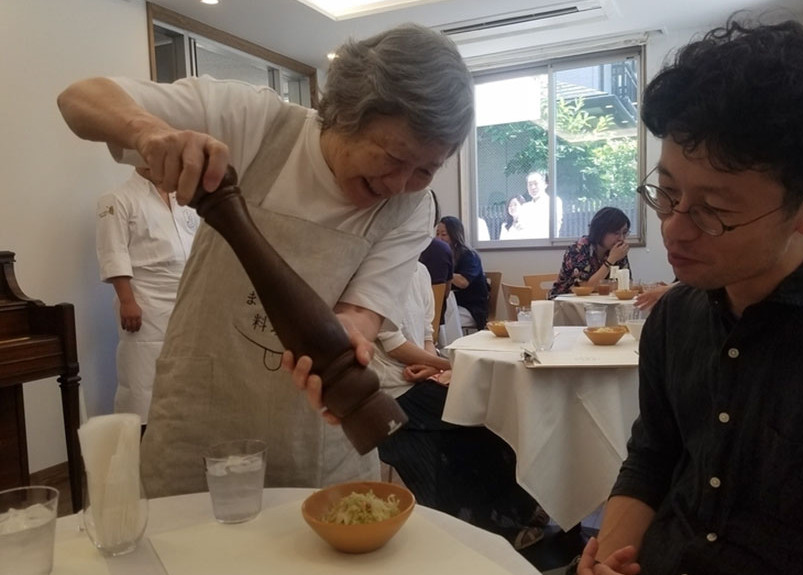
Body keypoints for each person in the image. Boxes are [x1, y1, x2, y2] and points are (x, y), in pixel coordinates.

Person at [57, 23, 474, 498]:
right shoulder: (254, 121)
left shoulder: (411, 209)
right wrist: (150, 132)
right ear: (344, 113)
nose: (401, 183)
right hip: (202, 408)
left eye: (425, 168)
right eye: (394, 157)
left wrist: (344, 344)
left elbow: (360, 316)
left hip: (318, 423)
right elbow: (79, 98)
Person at [575, 18, 803, 575]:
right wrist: (610, 560)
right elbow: (651, 460)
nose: (673, 228)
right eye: (666, 192)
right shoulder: (674, 318)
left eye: (714, 210)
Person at [374, 263, 545, 550]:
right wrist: (447, 365)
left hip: (418, 379)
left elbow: (427, 335)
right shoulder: (383, 272)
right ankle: (497, 522)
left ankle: (515, 509)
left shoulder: (420, 272)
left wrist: (430, 368)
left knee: (490, 413)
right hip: (391, 388)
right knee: (483, 417)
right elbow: (395, 346)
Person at [96, 170, 200, 431]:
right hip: (145, 302)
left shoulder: (184, 199)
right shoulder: (117, 199)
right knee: (143, 379)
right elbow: (113, 251)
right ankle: (141, 448)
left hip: (187, 298)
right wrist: (127, 300)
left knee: (187, 375)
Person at [548, 207, 631, 298]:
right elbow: (586, 288)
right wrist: (611, 260)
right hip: (567, 303)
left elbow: (626, 285)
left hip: (600, 302)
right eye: (616, 233)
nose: (621, 238)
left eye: (624, 233)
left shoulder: (618, 250)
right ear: (601, 231)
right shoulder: (578, 249)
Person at [436, 215, 489, 330]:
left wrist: (444, 269)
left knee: (439, 319)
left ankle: (445, 346)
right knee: (430, 315)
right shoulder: (442, 255)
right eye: (437, 234)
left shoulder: (469, 255)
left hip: (470, 308)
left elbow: (463, 282)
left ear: (455, 235)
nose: (439, 238)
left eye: (443, 235)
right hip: (450, 305)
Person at [519, 171, 563, 238]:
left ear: (545, 184)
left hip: (547, 244)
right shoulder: (524, 207)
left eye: (536, 183)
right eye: (530, 184)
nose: (533, 187)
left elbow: (555, 226)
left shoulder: (554, 201)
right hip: (527, 245)